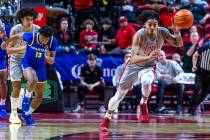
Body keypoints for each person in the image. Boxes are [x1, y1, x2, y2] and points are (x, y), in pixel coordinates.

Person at [99, 10, 183, 132]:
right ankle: (107, 118)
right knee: (119, 95)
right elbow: (134, 57)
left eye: (155, 24)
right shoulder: (139, 35)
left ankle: (143, 103)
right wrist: (150, 56)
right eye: (150, 24)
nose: (153, 27)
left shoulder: (162, 32)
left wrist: (177, 32)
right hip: (134, 65)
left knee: (147, 81)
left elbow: (178, 43)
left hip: (149, 66)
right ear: (144, 25)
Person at [1, 26, 57, 126]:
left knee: (39, 96)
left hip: (40, 67)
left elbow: (52, 60)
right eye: (42, 38)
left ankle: (27, 114)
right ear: (39, 34)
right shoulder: (31, 36)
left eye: (46, 39)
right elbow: (17, 36)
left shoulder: (53, 41)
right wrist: (6, 42)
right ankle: (26, 99)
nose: (44, 41)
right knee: (33, 79)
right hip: (28, 63)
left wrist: (47, 56)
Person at [7, 8, 40, 124]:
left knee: (33, 80)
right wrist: (24, 48)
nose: (30, 22)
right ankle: (13, 114)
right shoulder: (15, 30)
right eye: (27, 19)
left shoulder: (37, 30)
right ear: (21, 19)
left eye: (31, 19)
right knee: (16, 86)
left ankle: (25, 97)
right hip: (16, 58)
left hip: (29, 60)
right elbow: (9, 50)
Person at [188, 36, 210, 115]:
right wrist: (194, 65)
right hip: (201, 71)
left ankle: (194, 107)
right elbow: (195, 55)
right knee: (197, 88)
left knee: (204, 93)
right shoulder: (206, 46)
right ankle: (191, 106)